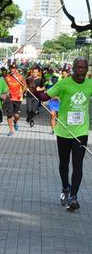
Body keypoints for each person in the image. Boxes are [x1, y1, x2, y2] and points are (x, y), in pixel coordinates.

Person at [43, 57, 92, 211]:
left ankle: (73, 197)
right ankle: (65, 188)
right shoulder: (63, 83)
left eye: (83, 67)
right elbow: (47, 96)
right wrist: (35, 93)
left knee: (78, 164)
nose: (80, 70)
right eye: (78, 67)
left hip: (81, 131)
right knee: (64, 163)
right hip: (64, 130)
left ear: (86, 69)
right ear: (73, 68)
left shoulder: (90, 84)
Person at [5, 64, 26, 135]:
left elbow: (25, 85)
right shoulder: (7, 77)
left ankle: (15, 122)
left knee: (17, 115)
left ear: (16, 69)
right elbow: (5, 87)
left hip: (18, 98)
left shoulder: (20, 77)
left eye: (13, 68)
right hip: (10, 98)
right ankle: (11, 130)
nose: (12, 69)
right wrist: (6, 93)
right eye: (11, 68)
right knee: (9, 114)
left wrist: (22, 93)